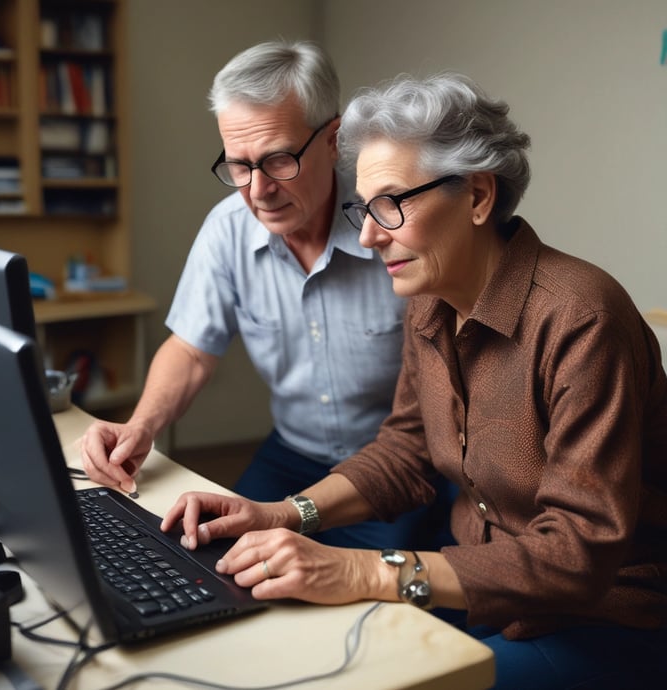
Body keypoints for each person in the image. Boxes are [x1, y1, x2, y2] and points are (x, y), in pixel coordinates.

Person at [160, 72, 667, 689]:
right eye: (364, 209)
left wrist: (365, 572)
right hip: (491, 599)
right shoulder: (429, 300)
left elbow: (577, 554)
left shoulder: (582, 317)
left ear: (478, 196)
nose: (370, 235)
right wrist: (280, 515)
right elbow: (406, 451)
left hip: (605, 618)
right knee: (298, 653)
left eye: (391, 204)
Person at [80, 40, 453, 550]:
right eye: (239, 165)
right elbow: (191, 349)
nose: (257, 190)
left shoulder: (391, 224)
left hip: (400, 459)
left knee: (354, 599)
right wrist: (140, 426)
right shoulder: (227, 229)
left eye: (278, 160)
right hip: (292, 455)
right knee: (212, 555)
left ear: (333, 139)